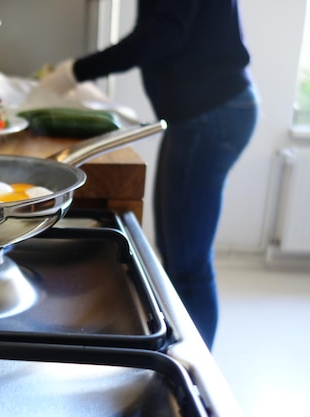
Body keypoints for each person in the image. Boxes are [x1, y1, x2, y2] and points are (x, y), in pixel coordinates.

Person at [32, 0, 258, 349]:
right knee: (178, 254)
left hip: (210, 115)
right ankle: (188, 358)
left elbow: (163, 35)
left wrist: (76, 71)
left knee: (188, 263)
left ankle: (194, 370)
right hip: (203, 115)